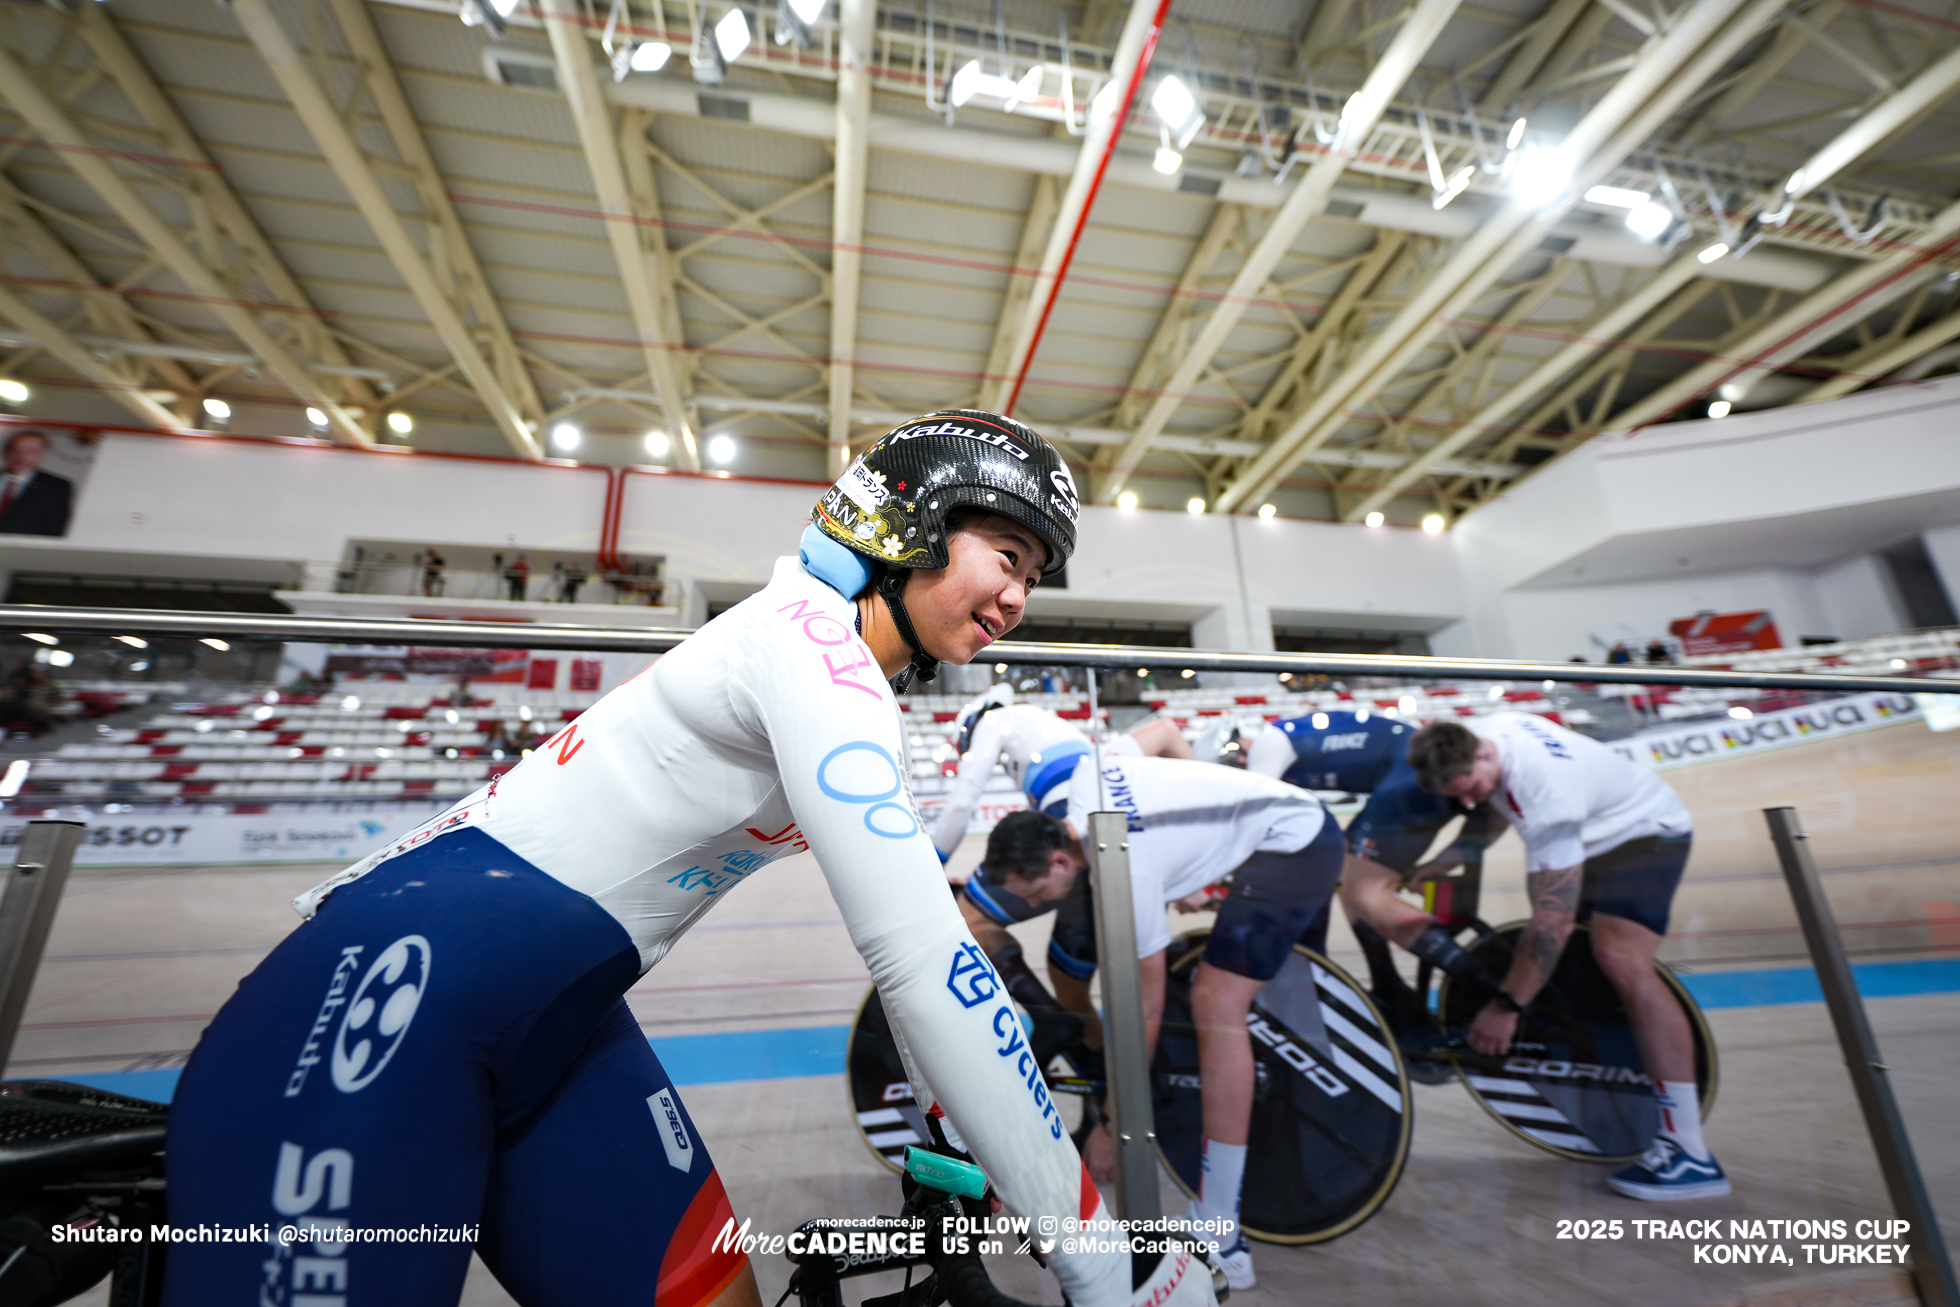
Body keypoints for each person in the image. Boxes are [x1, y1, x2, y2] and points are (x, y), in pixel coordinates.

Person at [160, 410, 1212, 1307]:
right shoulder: (809, 652)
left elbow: (913, 943)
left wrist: (958, 1108)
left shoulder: (826, 660)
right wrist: (1095, 1246)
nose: (1018, 598)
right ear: (914, 525)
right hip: (389, 1000)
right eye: (1008, 558)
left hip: (553, 1023)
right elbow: (924, 960)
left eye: (1032, 576)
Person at [988, 754, 1345, 1291]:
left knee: (1215, 1004)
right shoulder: (1085, 779)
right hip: (1272, 826)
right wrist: (1197, 865)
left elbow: (1144, 1009)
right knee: (1201, 986)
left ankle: (1223, 1235)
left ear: (1061, 861)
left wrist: (1114, 1124)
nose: (1039, 904)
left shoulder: (1128, 872)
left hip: (1297, 841)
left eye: (1036, 893)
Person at [1405, 714, 1725, 1201]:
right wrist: (1448, 859)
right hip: (1598, 829)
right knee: (1582, 958)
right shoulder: (1479, 734)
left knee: (1619, 958)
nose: (1469, 802)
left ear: (1485, 755)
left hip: (1645, 833)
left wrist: (1505, 1009)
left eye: (1471, 788)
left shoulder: (1548, 800)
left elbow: (1550, 923)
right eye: (1459, 796)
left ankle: (1690, 1152)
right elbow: (1492, 803)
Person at [1243, 710, 1499, 1034]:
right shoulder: (1287, 738)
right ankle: (1388, 984)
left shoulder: (1264, 747)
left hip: (1408, 779)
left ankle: (1476, 981)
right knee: (1347, 868)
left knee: (1366, 893)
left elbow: (1256, 814)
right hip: (1405, 775)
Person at [0, 429, 75, 536]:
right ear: (6, 451)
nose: (21, 455)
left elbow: (55, 531)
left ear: (41, 455)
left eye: (30, 451)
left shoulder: (55, 487)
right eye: (16, 449)